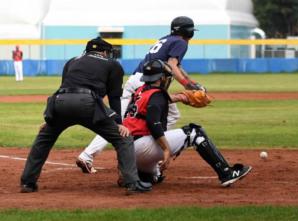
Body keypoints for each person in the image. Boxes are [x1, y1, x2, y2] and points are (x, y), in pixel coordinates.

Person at [19, 37, 152, 194]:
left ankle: (28, 182)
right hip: (87, 103)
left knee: (44, 139)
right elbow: (114, 97)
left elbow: (64, 88)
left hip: (60, 102)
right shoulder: (112, 65)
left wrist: (49, 119)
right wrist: (118, 123)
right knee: (123, 138)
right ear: (104, 52)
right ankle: (131, 183)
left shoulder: (72, 61)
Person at [76, 16, 205, 174]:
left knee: (121, 121)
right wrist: (188, 85)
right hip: (146, 83)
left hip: (137, 79)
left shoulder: (167, 39)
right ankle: (154, 148)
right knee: (165, 116)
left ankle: (88, 155)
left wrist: (192, 83)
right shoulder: (180, 42)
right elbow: (172, 65)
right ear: (188, 32)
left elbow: (176, 66)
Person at [123, 59, 252, 187]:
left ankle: (142, 175)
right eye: (166, 77)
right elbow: (153, 123)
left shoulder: (139, 91)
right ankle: (227, 173)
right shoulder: (156, 94)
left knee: (151, 177)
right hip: (142, 148)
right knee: (194, 132)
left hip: (128, 151)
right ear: (161, 78)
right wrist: (166, 149)